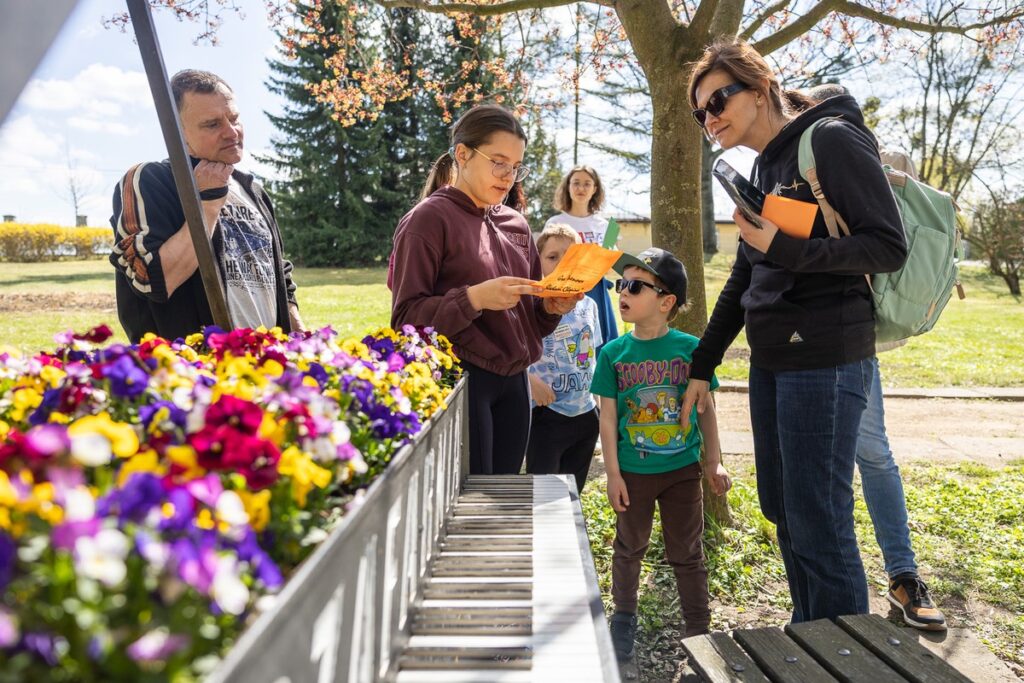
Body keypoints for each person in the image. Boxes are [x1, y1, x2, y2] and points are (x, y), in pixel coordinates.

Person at [682, 41, 908, 624]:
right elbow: (745, 274)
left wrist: (781, 245)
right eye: (700, 112)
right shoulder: (763, 167)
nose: (710, 118)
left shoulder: (829, 139)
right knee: (784, 508)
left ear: (760, 89)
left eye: (719, 100)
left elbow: (886, 246)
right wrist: (703, 364)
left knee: (818, 516)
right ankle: (810, 635)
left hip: (827, 358)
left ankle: (844, 652)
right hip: (773, 361)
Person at [806, 84, 946, 631]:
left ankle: (903, 576)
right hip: (804, 337)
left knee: (873, 453)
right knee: (824, 467)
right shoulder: (799, 163)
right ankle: (832, 595)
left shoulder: (867, 160)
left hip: (855, 335)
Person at [390, 104, 579, 475]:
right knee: (469, 499)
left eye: (516, 166)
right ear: (462, 154)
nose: (508, 176)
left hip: (516, 385)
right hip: (464, 381)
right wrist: (474, 298)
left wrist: (551, 308)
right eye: (498, 162)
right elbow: (405, 321)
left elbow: (531, 321)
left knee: (502, 493)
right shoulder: (427, 220)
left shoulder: (517, 224)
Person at [591, 247, 731, 660]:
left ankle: (698, 627)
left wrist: (713, 461)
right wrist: (613, 474)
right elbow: (608, 420)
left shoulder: (692, 350)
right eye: (620, 284)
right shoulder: (613, 354)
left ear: (666, 301)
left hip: (682, 471)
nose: (623, 291)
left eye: (635, 285)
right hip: (633, 471)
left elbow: (707, 410)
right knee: (628, 546)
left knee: (687, 551)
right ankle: (624, 619)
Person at [109, 70, 302, 344]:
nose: (231, 132)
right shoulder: (151, 180)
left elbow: (279, 277)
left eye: (234, 119)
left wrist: (302, 340)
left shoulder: (252, 190)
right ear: (178, 133)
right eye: (212, 124)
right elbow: (150, 278)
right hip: (193, 373)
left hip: (265, 368)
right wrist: (207, 203)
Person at [525, 224, 603, 493]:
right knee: (544, 492)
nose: (560, 263)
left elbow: (594, 357)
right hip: (546, 415)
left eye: (568, 256)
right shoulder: (530, 304)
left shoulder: (590, 306)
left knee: (572, 494)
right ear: (538, 262)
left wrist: (600, 409)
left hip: (585, 415)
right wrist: (530, 381)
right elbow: (513, 353)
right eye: (552, 256)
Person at [545, 166, 619, 351]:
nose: (581, 188)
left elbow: (614, 264)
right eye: (576, 183)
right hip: (564, 293)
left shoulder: (608, 226)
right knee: (570, 347)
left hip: (598, 293)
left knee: (600, 347)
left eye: (587, 184)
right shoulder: (554, 223)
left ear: (595, 189)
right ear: (567, 187)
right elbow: (546, 261)